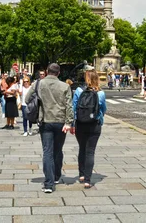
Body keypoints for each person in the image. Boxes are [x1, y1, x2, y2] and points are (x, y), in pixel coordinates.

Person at [25, 63, 73, 193]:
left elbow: (27, 98)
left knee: (47, 152)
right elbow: (69, 106)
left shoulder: (38, 83)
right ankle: (57, 175)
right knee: (58, 150)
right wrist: (69, 122)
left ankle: (48, 184)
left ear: (47, 71)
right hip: (61, 122)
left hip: (45, 120)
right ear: (58, 73)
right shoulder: (65, 86)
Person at [72, 69, 107, 188]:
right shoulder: (100, 93)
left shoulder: (78, 90)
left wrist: (73, 123)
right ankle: (87, 179)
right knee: (90, 151)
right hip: (94, 124)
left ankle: (81, 174)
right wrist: (100, 118)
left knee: (82, 148)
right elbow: (103, 109)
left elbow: (74, 107)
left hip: (80, 124)